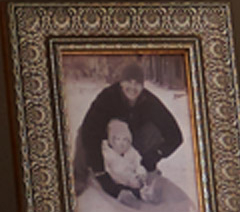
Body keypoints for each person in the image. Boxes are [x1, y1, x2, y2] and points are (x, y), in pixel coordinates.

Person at [71, 58, 184, 203]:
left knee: (155, 130)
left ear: (143, 86)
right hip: (107, 142)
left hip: (131, 144)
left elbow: (175, 135)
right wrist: (100, 173)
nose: (133, 87)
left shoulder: (149, 101)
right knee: (83, 133)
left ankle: (140, 172)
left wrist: (154, 156)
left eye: (137, 83)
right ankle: (79, 176)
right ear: (120, 83)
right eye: (128, 82)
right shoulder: (108, 97)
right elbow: (89, 131)